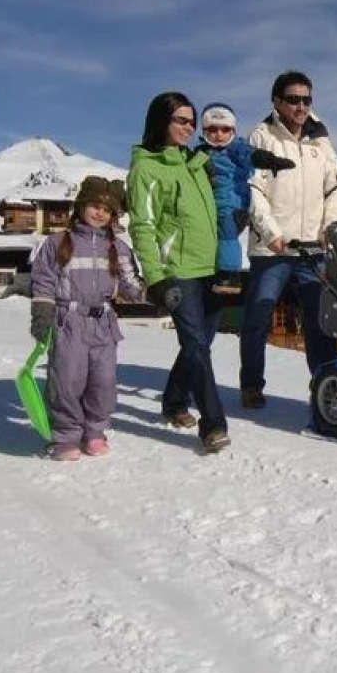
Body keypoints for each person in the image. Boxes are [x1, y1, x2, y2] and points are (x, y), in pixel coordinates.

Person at [126, 91, 231, 454]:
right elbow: (142, 226)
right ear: (161, 121)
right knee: (197, 345)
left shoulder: (195, 163)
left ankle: (173, 401)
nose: (189, 128)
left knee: (199, 344)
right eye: (181, 120)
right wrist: (156, 278)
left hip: (209, 267)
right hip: (178, 270)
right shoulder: (147, 168)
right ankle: (213, 425)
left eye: (192, 121)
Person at [239, 70, 337, 408]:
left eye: (306, 100)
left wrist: (330, 229)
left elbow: (336, 187)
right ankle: (252, 386)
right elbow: (253, 190)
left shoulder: (321, 141)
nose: (301, 106)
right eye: (293, 100)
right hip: (272, 249)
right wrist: (272, 234)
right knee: (258, 317)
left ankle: (326, 387)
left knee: (321, 321)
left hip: (313, 250)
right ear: (276, 102)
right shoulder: (261, 137)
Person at [28, 176, 145, 461]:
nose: (100, 213)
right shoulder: (58, 242)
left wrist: (156, 290)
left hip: (103, 323)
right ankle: (66, 436)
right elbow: (43, 281)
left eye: (107, 210)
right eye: (94, 206)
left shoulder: (118, 248)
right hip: (68, 321)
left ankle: (94, 432)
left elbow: (131, 285)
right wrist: (42, 315)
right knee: (67, 380)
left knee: (103, 382)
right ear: (81, 206)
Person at [194, 102, 295, 294]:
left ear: (232, 131)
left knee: (227, 234)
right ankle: (210, 270)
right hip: (210, 205)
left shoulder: (236, 148)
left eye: (225, 130)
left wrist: (270, 160)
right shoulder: (200, 153)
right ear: (204, 131)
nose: (219, 134)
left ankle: (229, 274)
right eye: (213, 129)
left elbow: (250, 155)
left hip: (232, 205)